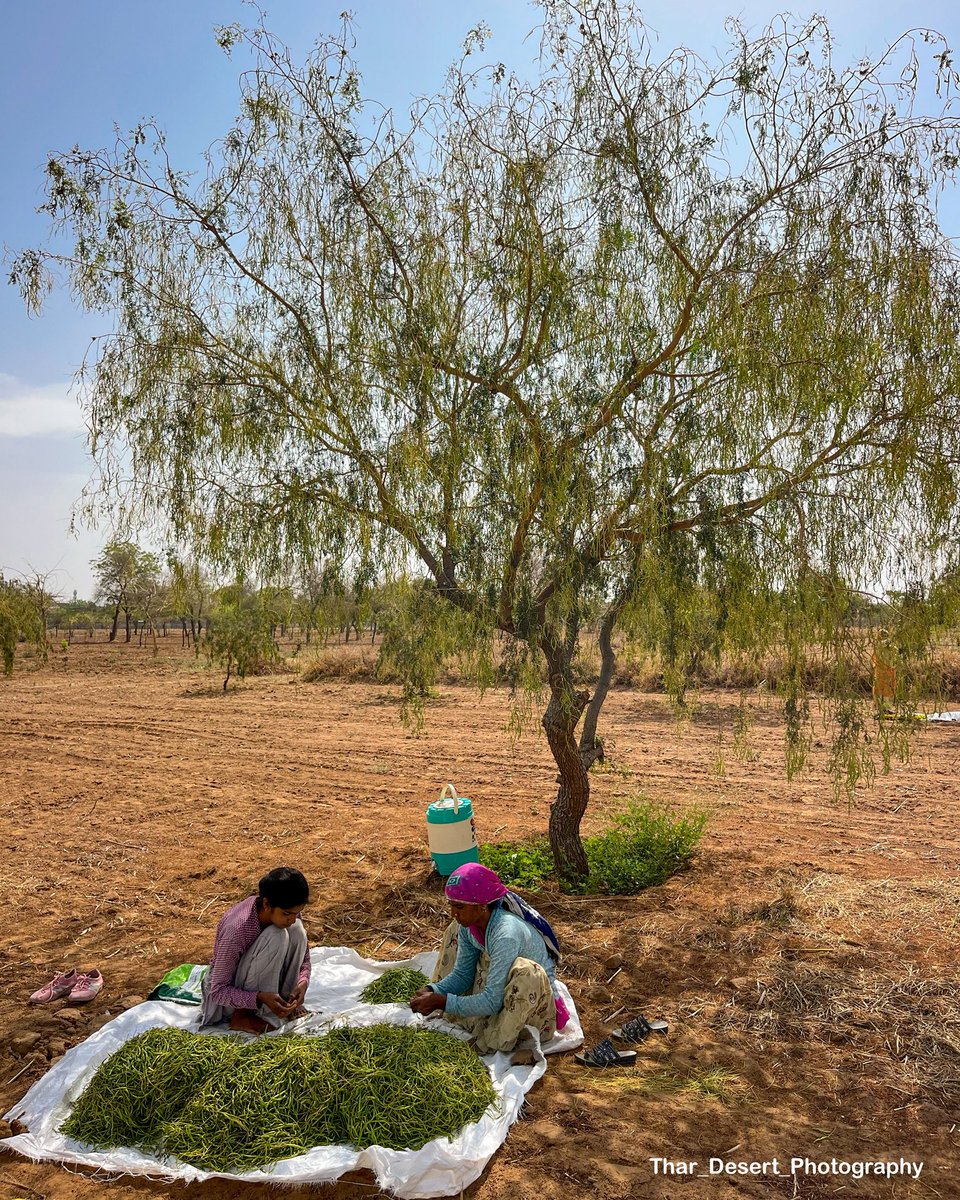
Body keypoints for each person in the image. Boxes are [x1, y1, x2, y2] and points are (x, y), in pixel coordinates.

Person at [410, 862, 570, 1057]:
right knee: (453, 931)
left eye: (459, 906)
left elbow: (493, 1001)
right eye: (451, 905)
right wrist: (433, 990)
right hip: (503, 986)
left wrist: (443, 1002)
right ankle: (481, 1023)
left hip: (534, 1007)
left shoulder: (505, 934)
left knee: (528, 971)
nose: (453, 913)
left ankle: (499, 1039)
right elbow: (463, 975)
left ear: (483, 906)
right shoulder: (468, 926)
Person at [199, 866, 311, 1035]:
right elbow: (218, 991)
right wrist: (258, 997)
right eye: (288, 913)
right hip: (231, 1000)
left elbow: (305, 960)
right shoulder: (237, 929)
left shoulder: (288, 912)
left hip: (265, 987)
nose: (292, 918)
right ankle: (243, 1015)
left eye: (297, 913)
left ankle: (286, 1002)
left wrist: (302, 983)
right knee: (276, 935)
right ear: (267, 904)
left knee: (298, 930)